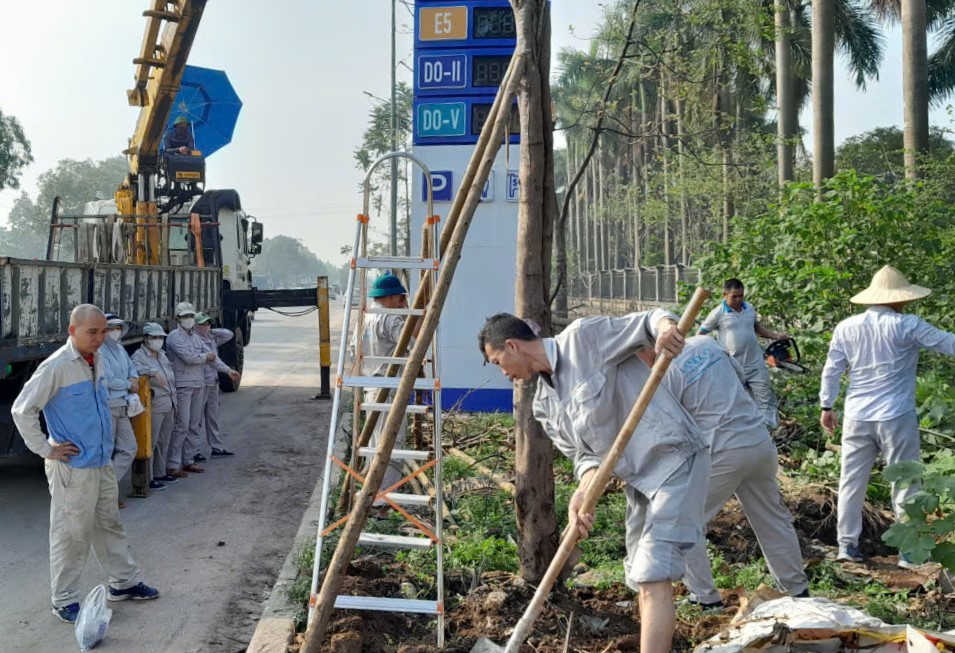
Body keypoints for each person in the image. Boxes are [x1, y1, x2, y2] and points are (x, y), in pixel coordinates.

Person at [478, 311, 707, 653]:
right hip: (640, 482)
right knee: (638, 576)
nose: (504, 373)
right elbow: (586, 458)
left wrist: (665, 330)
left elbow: (648, 321)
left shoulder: (584, 338)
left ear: (512, 345)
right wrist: (582, 494)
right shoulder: (544, 403)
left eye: (499, 361)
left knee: (651, 574)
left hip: (674, 462)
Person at [12, 304, 159, 624]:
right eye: (92, 332)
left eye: (103, 331)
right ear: (72, 331)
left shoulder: (100, 357)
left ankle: (123, 583)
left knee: (109, 524)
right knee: (71, 534)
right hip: (73, 468)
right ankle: (63, 599)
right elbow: (22, 410)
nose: (99, 337)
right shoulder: (57, 367)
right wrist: (45, 449)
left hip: (100, 460)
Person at [637, 337, 809, 609]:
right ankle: (797, 591)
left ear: (648, 347)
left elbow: (669, 425)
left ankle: (705, 599)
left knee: (686, 520)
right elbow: (739, 378)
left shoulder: (665, 371)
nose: (642, 364)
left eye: (639, 357)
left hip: (722, 451)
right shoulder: (706, 343)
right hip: (758, 441)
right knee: (772, 518)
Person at [820, 265, 955, 568]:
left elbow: (832, 369)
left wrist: (826, 406)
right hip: (896, 416)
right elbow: (949, 344)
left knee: (851, 481)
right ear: (898, 298)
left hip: (857, 414)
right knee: (906, 481)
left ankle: (847, 546)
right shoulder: (908, 325)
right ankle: (909, 554)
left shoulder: (847, 327)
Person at [358, 274, 422, 514]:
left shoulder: (366, 318)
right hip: (390, 386)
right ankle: (385, 499)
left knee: (376, 445)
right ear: (394, 296)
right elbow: (413, 344)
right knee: (392, 445)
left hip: (371, 387)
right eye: (401, 298)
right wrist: (412, 317)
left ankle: (374, 493)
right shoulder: (391, 319)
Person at [699, 279, 788, 429]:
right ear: (724, 295)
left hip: (755, 363)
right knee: (733, 402)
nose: (738, 299)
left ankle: (768, 433)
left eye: (741, 296)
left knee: (766, 399)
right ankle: (738, 433)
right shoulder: (717, 313)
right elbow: (701, 335)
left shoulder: (749, 309)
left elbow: (757, 329)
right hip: (733, 367)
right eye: (734, 296)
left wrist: (777, 336)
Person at [165, 302, 216, 476]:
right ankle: (173, 464)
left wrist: (228, 370)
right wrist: (205, 357)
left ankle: (188, 460)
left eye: (191, 316)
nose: (188, 319)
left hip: (198, 383)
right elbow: (189, 358)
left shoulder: (195, 337)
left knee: (194, 425)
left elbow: (211, 356)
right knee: (182, 426)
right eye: (185, 316)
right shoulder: (174, 337)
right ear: (178, 318)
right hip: (183, 385)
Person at [131, 323, 177, 489]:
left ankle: (160, 472)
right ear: (145, 339)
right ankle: (148, 478)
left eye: (160, 337)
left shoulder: (162, 355)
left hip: (170, 401)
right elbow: (134, 368)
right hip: (155, 404)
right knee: (152, 440)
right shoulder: (139, 355)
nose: (157, 340)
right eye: (153, 337)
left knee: (164, 440)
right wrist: (152, 371)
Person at [100, 313, 140, 499]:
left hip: (122, 404)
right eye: (111, 328)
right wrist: (128, 384)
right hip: (109, 405)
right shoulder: (100, 351)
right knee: (106, 452)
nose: (115, 332)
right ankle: (105, 496)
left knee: (129, 448)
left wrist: (133, 379)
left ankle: (107, 490)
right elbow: (107, 380)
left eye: (118, 328)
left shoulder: (120, 348)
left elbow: (132, 369)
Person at [194, 312, 239, 457]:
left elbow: (229, 334)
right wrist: (228, 370)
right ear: (195, 326)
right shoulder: (195, 340)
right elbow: (212, 360)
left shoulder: (211, 338)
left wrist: (211, 330)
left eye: (208, 324)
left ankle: (216, 447)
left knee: (212, 417)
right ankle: (195, 451)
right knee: (197, 419)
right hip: (201, 382)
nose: (206, 326)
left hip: (213, 381)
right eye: (203, 324)